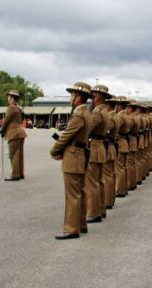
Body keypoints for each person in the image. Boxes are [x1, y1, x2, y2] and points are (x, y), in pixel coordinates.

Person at [50, 82, 93, 240]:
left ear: (77, 98)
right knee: (80, 192)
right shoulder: (87, 113)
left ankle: (71, 228)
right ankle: (80, 224)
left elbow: (67, 136)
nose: (70, 98)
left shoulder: (78, 114)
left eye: (72, 95)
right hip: (80, 154)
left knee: (72, 194)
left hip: (73, 156)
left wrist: (54, 150)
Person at [85, 84, 110, 223]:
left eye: (93, 96)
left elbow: (88, 129)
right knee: (99, 181)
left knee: (92, 183)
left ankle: (94, 212)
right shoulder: (105, 111)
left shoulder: (96, 112)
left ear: (96, 98)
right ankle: (100, 209)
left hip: (94, 147)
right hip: (100, 147)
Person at [0, 90, 28, 181]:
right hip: (20, 132)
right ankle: (20, 173)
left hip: (14, 133)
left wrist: (2, 130)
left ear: (12, 98)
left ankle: (15, 174)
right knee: (19, 154)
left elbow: (7, 119)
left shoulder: (11, 107)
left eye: (8, 97)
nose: (7, 98)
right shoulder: (18, 108)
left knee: (13, 154)